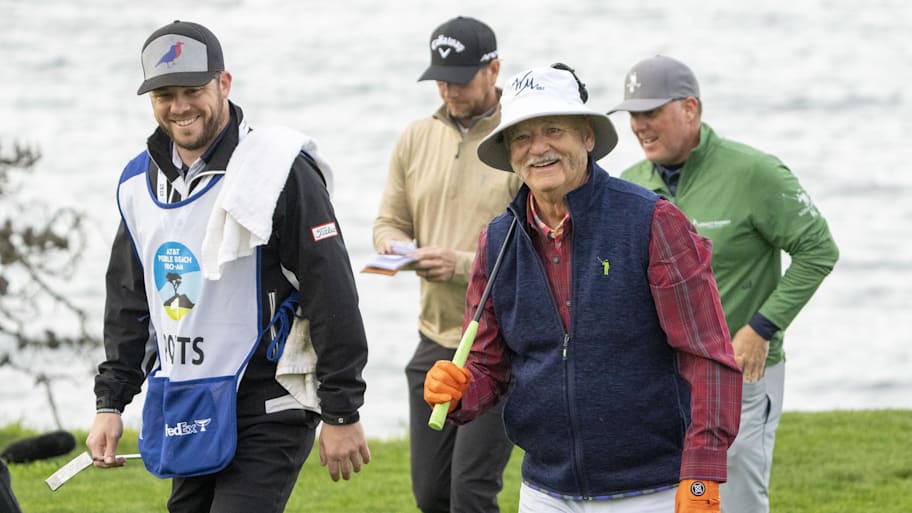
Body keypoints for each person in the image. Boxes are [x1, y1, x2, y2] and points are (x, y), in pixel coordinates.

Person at [424, 64, 743, 513]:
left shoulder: (653, 222)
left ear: (587, 137)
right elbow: (488, 367)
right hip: (545, 493)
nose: (539, 148)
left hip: (653, 490)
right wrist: (460, 391)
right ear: (510, 154)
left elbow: (707, 356)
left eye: (553, 130)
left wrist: (701, 476)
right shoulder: (496, 241)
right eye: (522, 137)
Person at [86, 20, 371, 513]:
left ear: (224, 83)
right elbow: (131, 301)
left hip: (270, 402)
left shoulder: (280, 169)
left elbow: (331, 289)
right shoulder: (137, 183)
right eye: (165, 95)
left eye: (193, 90)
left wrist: (341, 409)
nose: (180, 107)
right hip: (189, 401)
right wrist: (111, 402)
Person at [609, 55, 839, 513]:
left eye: (650, 112)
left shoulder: (754, 173)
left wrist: (760, 329)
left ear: (690, 108)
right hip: (659, 382)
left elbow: (818, 250)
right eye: (633, 114)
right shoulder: (628, 186)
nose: (638, 126)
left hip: (739, 374)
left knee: (735, 504)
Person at [372, 15, 522, 513]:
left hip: (496, 346)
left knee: (470, 492)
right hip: (433, 340)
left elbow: (534, 249)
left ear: (494, 69)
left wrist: (458, 264)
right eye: (440, 78)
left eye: (459, 78)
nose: (448, 89)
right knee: (431, 494)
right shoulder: (415, 138)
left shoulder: (519, 139)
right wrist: (399, 249)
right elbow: (388, 222)